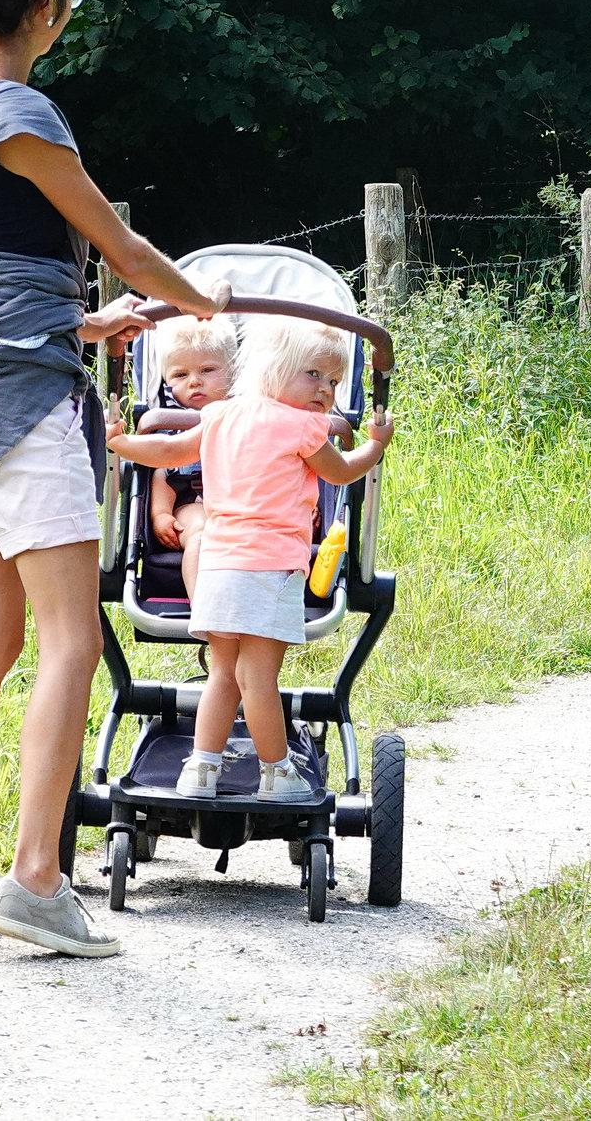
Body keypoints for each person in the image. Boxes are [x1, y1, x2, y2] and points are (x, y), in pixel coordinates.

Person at [0, 0, 230, 957]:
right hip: (21, 410)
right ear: (43, 6)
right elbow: (126, 248)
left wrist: (86, 317)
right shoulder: (23, 117)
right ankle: (37, 880)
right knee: (71, 641)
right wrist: (211, 305)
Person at [105, 319, 395, 800]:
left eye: (333, 382)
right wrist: (375, 445)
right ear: (274, 369)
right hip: (270, 568)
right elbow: (341, 473)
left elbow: (169, 449)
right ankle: (277, 774)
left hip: (217, 564)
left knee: (223, 674)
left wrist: (121, 443)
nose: (325, 390)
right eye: (314, 376)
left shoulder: (221, 415)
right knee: (258, 677)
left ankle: (200, 770)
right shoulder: (304, 426)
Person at [146, 314, 238, 598]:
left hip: (248, 506)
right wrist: (161, 514)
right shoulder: (171, 422)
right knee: (200, 533)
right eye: (180, 375)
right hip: (193, 503)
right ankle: (204, 607)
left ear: (234, 371)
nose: (195, 382)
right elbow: (164, 472)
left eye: (208, 370)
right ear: (165, 379)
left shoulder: (249, 413)